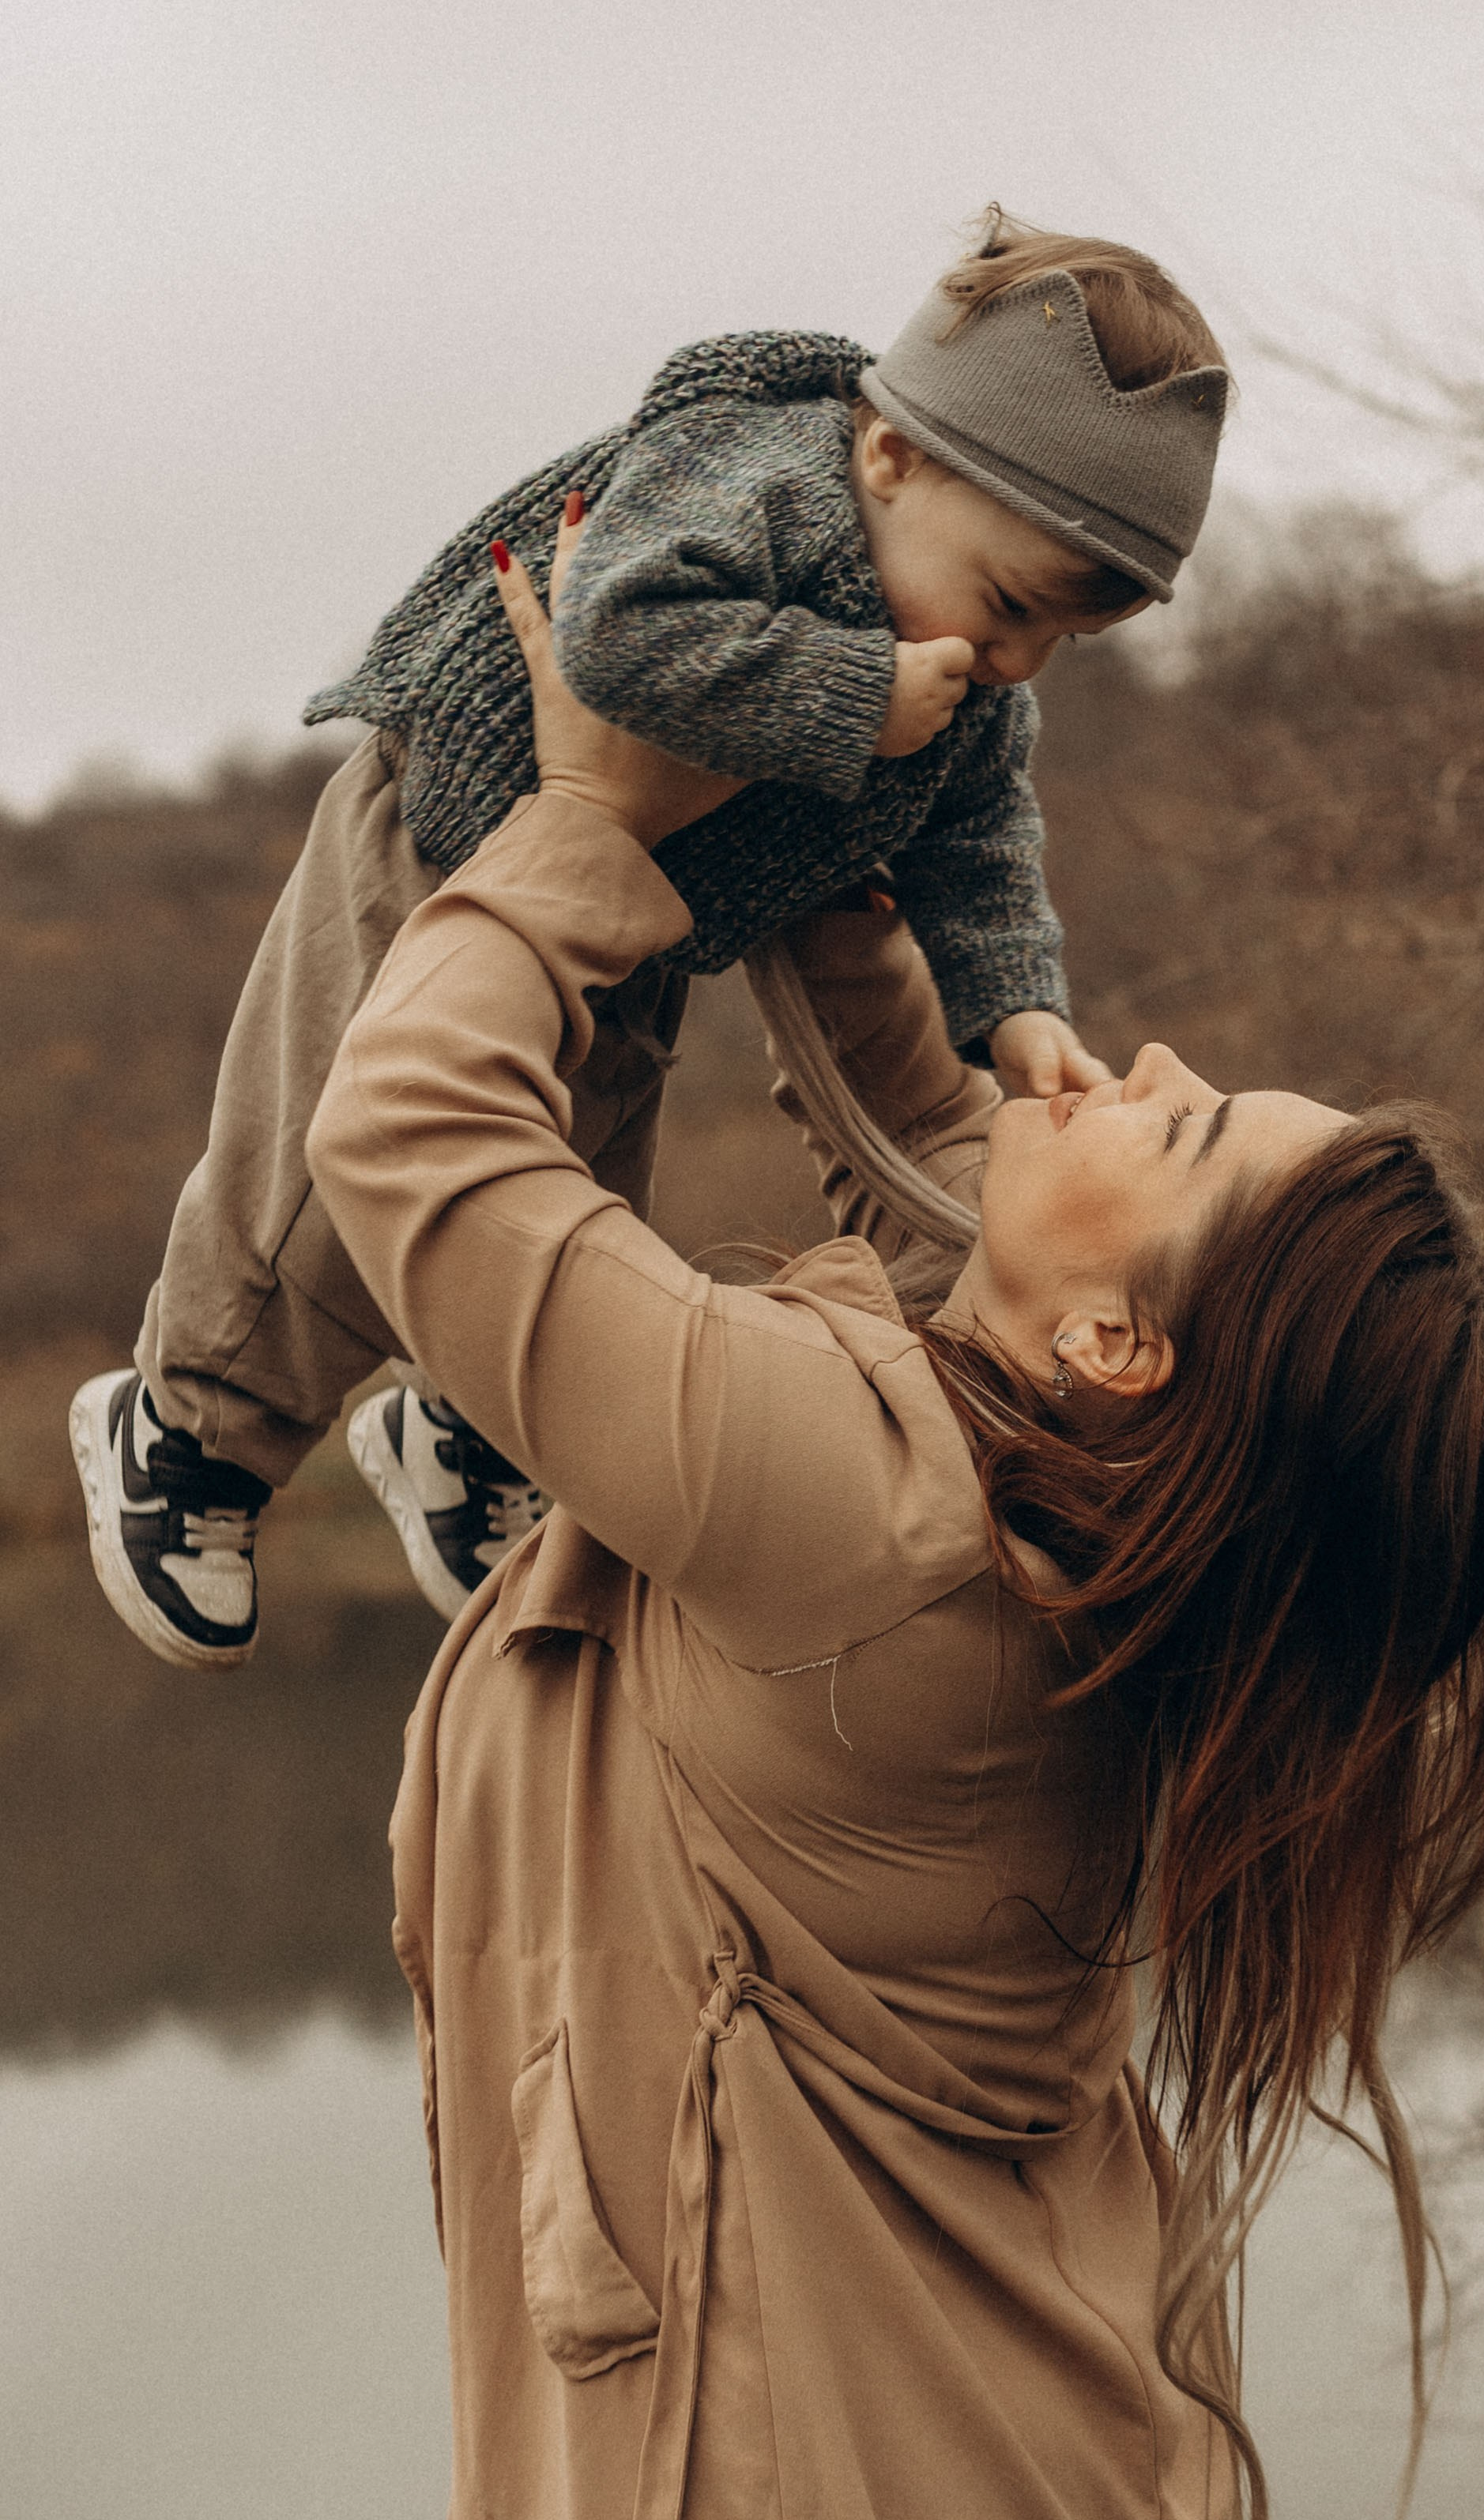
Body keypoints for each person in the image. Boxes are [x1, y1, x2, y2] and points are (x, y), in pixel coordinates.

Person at [292, 529, 1484, 2520]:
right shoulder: (1074, 1521)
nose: (1151, 1061)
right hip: (993, 2469)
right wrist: (834, 779)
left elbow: (409, 1139)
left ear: (1119, 1344)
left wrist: (588, 817)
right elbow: (931, 1143)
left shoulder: (877, 1527)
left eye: (1182, 1127)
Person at [70, 209, 1229, 1668]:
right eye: (1008, 606)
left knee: (575, 1192)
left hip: (644, 920)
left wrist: (1015, 1007)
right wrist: (851, 688)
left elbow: (982, 833)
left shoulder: (974, 665)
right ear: (892, 458)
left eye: (1060, 638)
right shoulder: (758, 469)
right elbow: (620, 628)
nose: (1011, 661)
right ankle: (190, 1430)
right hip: (449, 837)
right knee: (320, 1169)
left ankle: (461, 1428)